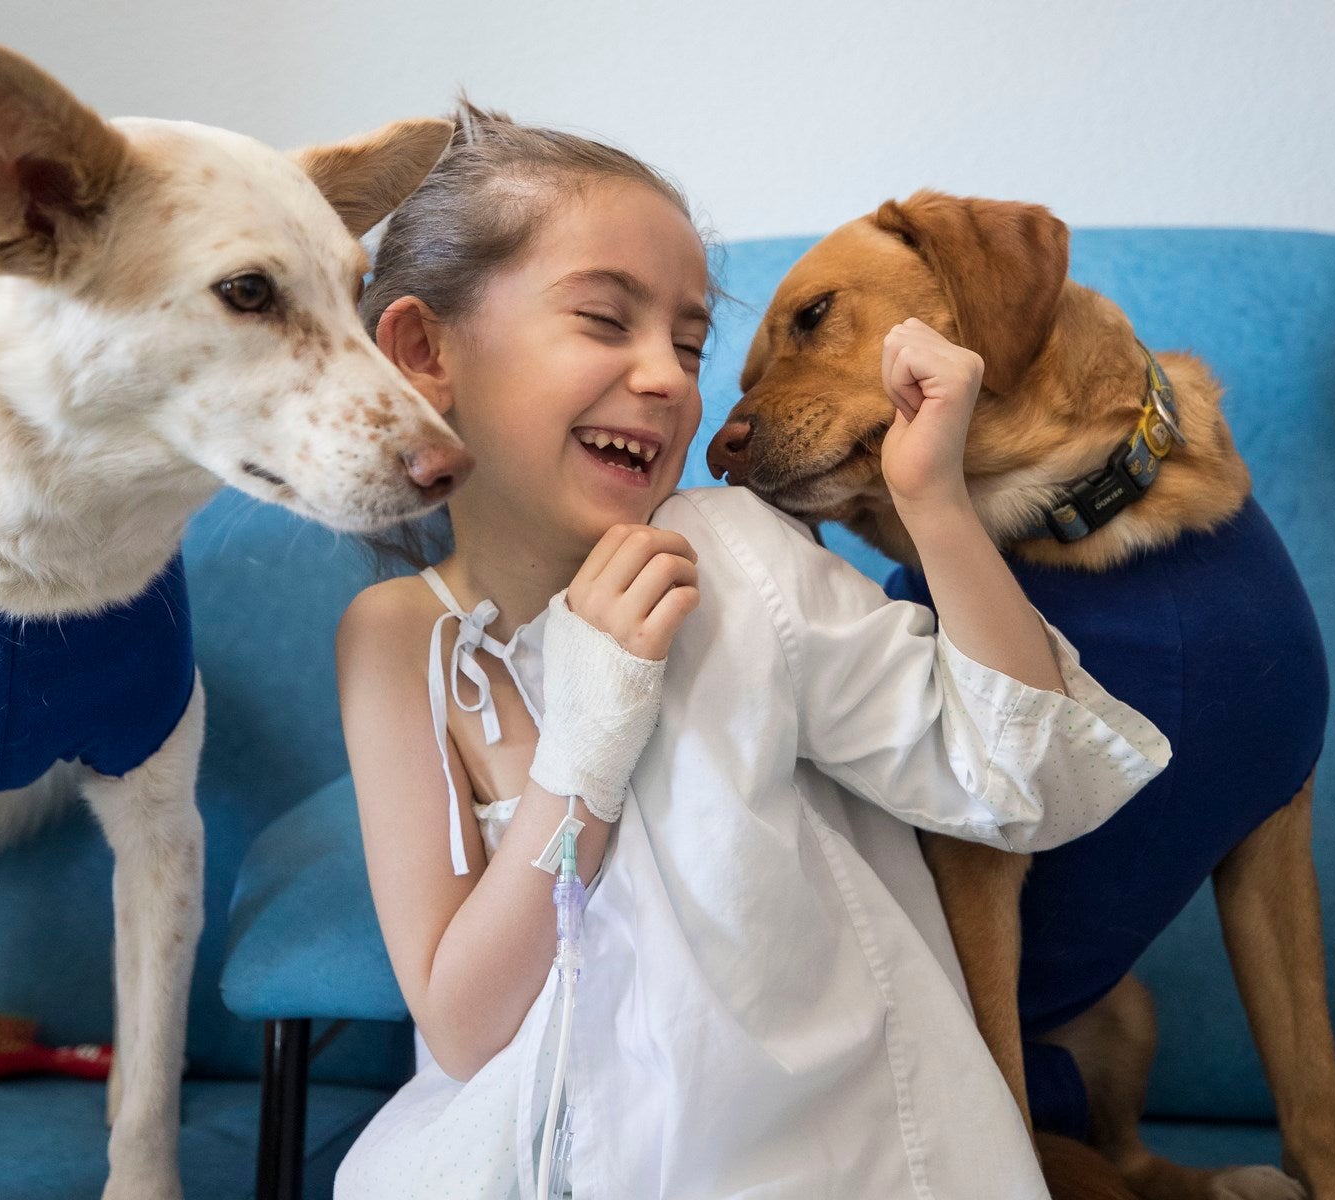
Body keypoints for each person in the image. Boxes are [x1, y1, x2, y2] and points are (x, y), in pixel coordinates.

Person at [332, 105, 1171, 1199]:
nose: (672, 380)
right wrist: (582, 745)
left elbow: (1027, 781)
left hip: (837, 1159)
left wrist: (934, 504)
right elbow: (462, 1026)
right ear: (423, 352)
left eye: (687, 344)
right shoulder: (400, 639)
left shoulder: (733, 554)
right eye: (603, 320)